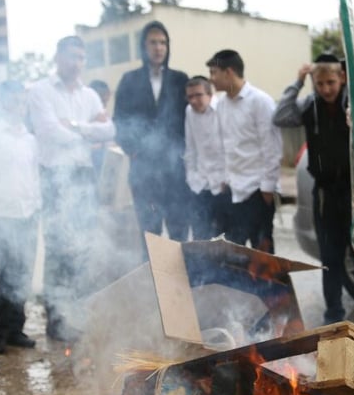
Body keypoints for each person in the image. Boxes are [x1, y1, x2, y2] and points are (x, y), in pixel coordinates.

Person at [274, 54, 354, 344]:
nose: (326, 89)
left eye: (331, 82)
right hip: (325, 194)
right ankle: (333, 319)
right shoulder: (310, 106)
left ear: (342, 79)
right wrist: (297, 82)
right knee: (331, 261)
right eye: (320, 83)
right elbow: (282, 116)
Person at [26, 35, 115, 342]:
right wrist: (89, 132)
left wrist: (75, 127)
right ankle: (55, 318)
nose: (76, 63)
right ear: (57, 57)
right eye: (70, 56)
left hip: (83, 176)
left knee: (82, 248)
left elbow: (110, 129)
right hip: (54, 177)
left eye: (81, 57)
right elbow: (49, 131)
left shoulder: (89, 94)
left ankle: (76, 314)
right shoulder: (40, 91)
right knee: (57, 250)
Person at [114, 21, 191, 254]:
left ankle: (179, 284)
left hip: (176, 171)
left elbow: (190, 122)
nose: (159, 48)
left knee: (179, 231)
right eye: (153, 42)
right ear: (143, 46)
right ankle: (152, 283)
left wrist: (183, 152)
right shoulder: (129, 80)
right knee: (149, 233)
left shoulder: (180, 80)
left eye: (163, 42)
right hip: (143, 171)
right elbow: (119, 121)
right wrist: (134, 151)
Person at [0, 81, 41, 356]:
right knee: (5, 274)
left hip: (28, 213)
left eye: (23, 101)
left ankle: (16, 328)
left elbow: (34, 175)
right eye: (14, 100)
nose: (20, 106)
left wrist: (36, 204)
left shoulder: (30, 139)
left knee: (24, 273)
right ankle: (0, 332)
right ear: (3, 102)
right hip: (1, 214)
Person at [207, 49, 281, 253]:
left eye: (214, 73)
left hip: (257, 192)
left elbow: (272, 148)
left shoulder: (260, 101)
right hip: (232, 191)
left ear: (229, 72)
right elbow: (222, 146)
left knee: (263, 262)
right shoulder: (221, 105)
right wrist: (222, 179)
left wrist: (267, 189)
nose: (211, 79)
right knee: (233, 257)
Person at [183, 75, 227, 240]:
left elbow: (230, 148)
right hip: (199, 184)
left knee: (223, 238)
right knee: (200, 238)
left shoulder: (224, 108)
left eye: (198, 95)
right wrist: (191, 178)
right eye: (190, 97)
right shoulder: (189, 111)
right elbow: (190, 148)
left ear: (210, 94)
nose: (194, 101)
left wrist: (227, 178)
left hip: (222, 185)